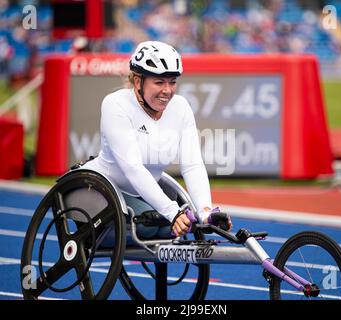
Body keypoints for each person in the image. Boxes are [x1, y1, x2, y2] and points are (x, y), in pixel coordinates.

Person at [83, 40, 232, 241]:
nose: (168, 91)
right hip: (104, 192)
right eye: (159, 82)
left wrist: (205, 211)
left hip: (146, 196)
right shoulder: (116, 104)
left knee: (181, 226)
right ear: (138, 82)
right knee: (151, 227)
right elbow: (133, 167)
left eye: (172, 82)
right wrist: (173, 212)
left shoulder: (180, 106)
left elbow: (192, 165)